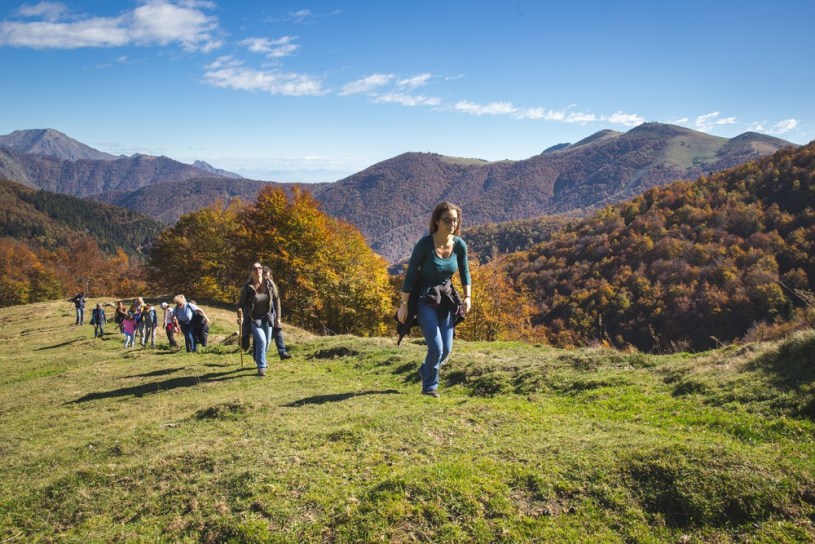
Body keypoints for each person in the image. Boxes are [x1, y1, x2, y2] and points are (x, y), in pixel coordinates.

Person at [397, 202, 471, 398]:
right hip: (425, 298)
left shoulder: (459, 245)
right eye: (447, 220)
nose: (452, 224)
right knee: (436, 348)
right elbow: (411, 274)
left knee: (446, 349)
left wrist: (467, 297)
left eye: (455, 220)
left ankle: (425, 369)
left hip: (445, 298)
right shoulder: (425, 245)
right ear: (437, 221)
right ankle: (430, 386)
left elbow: (465, 271)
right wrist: (404, 305)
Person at [237, 262, 291, 377]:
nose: (258, 270)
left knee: (267, 343)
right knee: (261, 341)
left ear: (262, 270)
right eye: (254, 268)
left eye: (259, 268)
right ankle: (261, 367)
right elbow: (240, 305)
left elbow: (277, 300)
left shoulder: (269, 284)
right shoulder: (247, 288)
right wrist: (239, 317)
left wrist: (278, 317)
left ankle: (260, 359)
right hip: (254, 319)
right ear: (251, 272)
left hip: (268, 318)